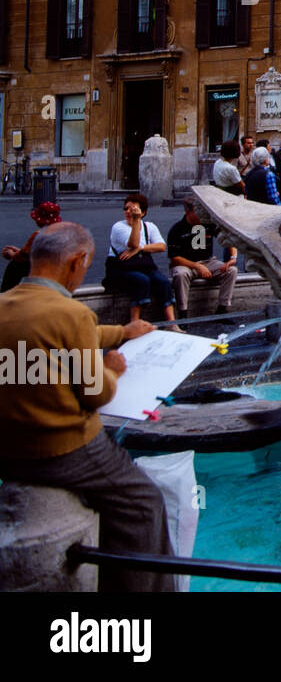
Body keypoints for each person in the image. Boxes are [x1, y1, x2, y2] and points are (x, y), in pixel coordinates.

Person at [0, 221, 175, 592]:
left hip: (8, 446)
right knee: (144, 503)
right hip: (62, 449)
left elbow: (56, 337)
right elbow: (96, 393)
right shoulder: (71, 313)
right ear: (78, 261)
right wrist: (110, 369)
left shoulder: (7, 305)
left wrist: (121, 332)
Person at [104, 193, 177, 325]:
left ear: (142, 212)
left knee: (163, 282)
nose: (128, 212)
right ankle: (134, 322)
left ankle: (171, 323)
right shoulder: (118, 227)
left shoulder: (150, 226)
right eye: (126, 209)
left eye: (132, 209)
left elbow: (161, 246)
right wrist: (137, 223)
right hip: (121, 268)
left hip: (143, 265)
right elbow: (133, 244)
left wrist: (140, 249)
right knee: (141, 281)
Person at [167, 198, 237, 320]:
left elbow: (228, 240)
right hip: (186, 264)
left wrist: (233, 257)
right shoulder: (177, 229)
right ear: (188, 212)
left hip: (208, 261)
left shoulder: (208, 224)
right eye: (198, 213)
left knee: (231, 271)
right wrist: (197, 266)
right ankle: (183, 313)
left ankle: (222, 309)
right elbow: (174, 258)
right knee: (180, 274)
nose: (202, 217)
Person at [2, 201, 61, 292]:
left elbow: (24, 256)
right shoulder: (58, 233)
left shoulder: (38, 235)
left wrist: (12, 254)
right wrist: (18, 250)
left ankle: (6, 293)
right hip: (50, 266)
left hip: (35, 267)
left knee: (14, 267)